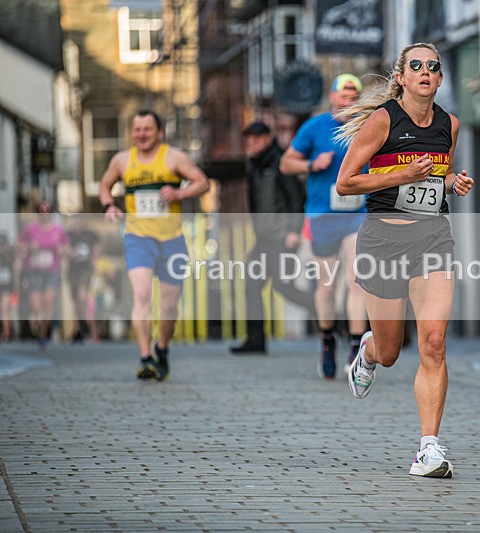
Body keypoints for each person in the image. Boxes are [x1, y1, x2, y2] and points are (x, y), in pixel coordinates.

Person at [335, 43, 474, 478]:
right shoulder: (382, 121)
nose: (425, 72)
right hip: (383, 242)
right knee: (392, 351)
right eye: (416, 66)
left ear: (440, 77)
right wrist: (401, 175)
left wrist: (452, 181)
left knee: (433, 343)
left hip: (432, 237)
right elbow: (345, 183)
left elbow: (435, 175)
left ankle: (428, 448)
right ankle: (369, 352)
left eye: (433, 67)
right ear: (401, 76)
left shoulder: (450, 124)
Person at [99, 109, 210, 381]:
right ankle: (145, 357)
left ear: (159, 132)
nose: (141, 134)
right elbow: (104, 186)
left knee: (170, 306)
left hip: (172, 240)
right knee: (142, 296)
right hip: (138, 238)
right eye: (137, 129)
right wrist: (109, 205)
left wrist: (179, 193)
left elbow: (203, 182)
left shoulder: (173, 158)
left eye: (147, 129)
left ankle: (162, 348)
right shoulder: (122, 160)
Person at [280, 73, 369, 379]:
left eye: (354, 96)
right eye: (343, 96)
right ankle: (328, 339)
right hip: (323, 217)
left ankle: (357, 348)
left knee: (358, 281)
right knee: (327, 286)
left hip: (358, 215)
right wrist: (311, 165)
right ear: (331, 97)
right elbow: (286, 163)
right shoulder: (315, 127)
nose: (349, 101)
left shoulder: (369, 126)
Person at [230, 121, 315, 354]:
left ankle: (327, 315)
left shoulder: (280, 162)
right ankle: (255, 340)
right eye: (249, 140)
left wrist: (293, 232)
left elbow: (296, 198)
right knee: (252, 285)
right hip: (263, 238)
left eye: (256, 139)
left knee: (282, 286)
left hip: (281, 236)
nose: (252, 144)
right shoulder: (254, 165)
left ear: (268, 138)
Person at [19, 202, 70, 348]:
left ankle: (43, 333)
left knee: (49, 300)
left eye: (48, 211)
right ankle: (38, 326)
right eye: (42, 211)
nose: (45, 214)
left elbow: (67, 247)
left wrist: (62, 250)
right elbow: (19, 245)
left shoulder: (58, 230)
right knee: (36, 305)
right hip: (34, 269)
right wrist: (30, 247)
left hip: (51, 270)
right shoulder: (30, 229)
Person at [67, 216, 101, 343]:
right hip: (72, 270)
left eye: (78, 220)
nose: (76, 223)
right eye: (74, 220)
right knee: (75, 301)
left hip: (85, 270)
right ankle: (81, 328)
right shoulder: (68, 235)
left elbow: (97, 245)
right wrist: (70, 253)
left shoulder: (89, 235)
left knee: (82, 296)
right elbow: (62, 248)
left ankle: (89, 330)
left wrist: (94, 259)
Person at [0, 232, 16, 342]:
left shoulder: (10, 256)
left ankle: (7, 334)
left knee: (5, 309)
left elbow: (16, 269)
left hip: (7, 287)